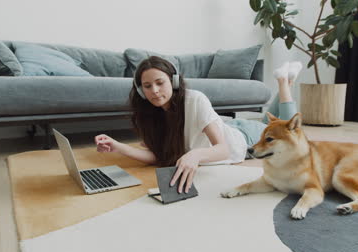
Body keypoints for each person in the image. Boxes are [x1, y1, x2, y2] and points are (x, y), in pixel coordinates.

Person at [95, 56, 302, 194]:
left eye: (160, 83)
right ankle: (287, 81)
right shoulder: (151, 115)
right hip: (226, 125)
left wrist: (195, 155)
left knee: (290, 132)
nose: (155, 91)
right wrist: (118, 146)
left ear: (174, 82)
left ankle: (284, 82)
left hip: (243, 136)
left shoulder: (195, 99)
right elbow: (158, 157)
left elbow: (223, 150)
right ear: (141, 91)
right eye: (147, 86)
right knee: (271, 122)